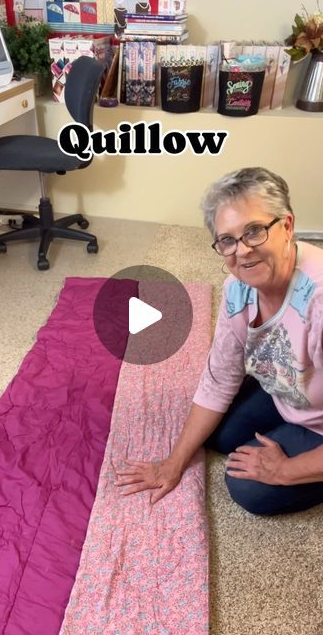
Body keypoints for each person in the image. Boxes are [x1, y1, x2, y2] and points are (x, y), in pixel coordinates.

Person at [115, 167, 323, 516]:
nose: (242, 251)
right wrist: (173, 462)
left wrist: (286, 470)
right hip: (293, 392)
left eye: (254, 231)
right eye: (227, 239)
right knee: (217, 436)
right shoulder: (237, 289)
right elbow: (220, 377)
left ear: (286, 226)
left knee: (248, 488)